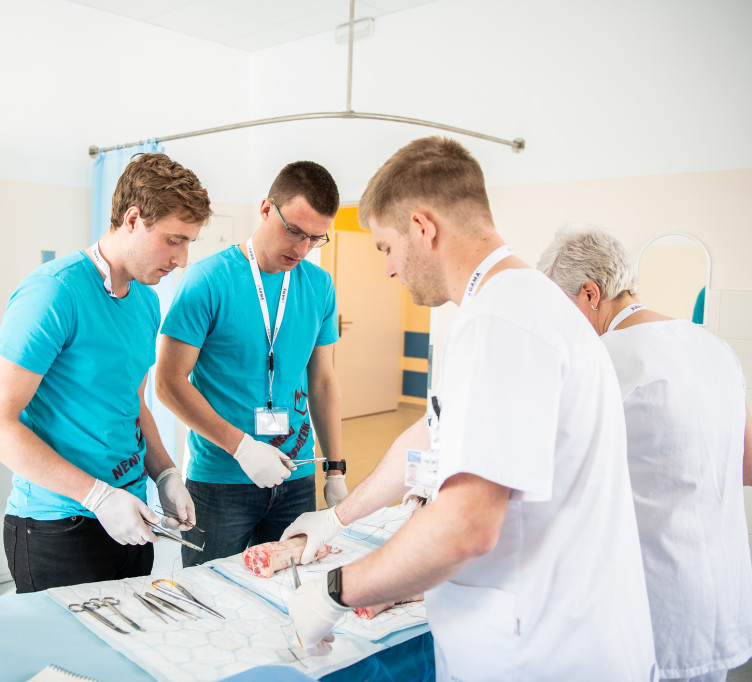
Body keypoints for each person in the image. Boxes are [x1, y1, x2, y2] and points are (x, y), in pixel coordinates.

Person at [281, 137, 657, 680]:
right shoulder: (520, 302)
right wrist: (335, 517)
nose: (388, 270)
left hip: (544, 653)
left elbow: (466, 526)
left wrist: (336, 591)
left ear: (422, 228)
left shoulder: (500, 322)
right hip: (556, 633)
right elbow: (428, 435)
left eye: (385, 247)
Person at [0, 153, 212, 592]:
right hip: (57, 527)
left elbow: (132, 401)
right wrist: (96, 496)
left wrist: (164, 473)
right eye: (174, 240)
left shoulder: (144, 300)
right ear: (133, 219)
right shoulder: (53, 293)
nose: (182, 259)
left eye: (189, 243)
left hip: (129, 517)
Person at [538, 225, 752, 682]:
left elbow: (548, 475)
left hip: (654, 602)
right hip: (719, 596)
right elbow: (746, 462)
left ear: (590, 294)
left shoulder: (607, 359)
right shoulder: (714, 347)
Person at [155, 161, 346, 567]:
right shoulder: (208, 280)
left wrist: (335, 469)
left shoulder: (319, 286)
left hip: (295, 476)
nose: (301, 248)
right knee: (212, 601)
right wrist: (242, 448)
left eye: (315, 238)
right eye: (293, 230)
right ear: (265, 209)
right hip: (222, 480)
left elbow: (324, 382)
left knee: (284, 599)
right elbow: (169, 383)